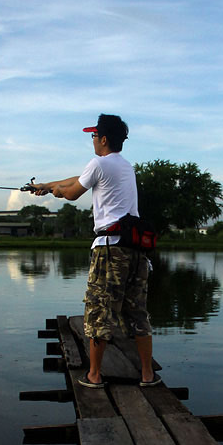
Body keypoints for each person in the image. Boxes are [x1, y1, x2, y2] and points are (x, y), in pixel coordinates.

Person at [30, 113, 160, 389]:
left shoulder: (99, 164)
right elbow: (79, 178)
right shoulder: (125, 166)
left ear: (103, 139)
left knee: (99, 311)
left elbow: (74, 192)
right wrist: (47, 185)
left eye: (93, 135)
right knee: (137, 313)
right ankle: (148, 375)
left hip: (110, 250)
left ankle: (94, 375)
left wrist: (57, 193)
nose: (91, 139)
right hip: (136, 249)